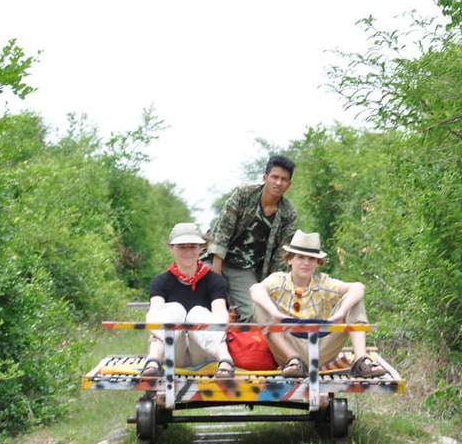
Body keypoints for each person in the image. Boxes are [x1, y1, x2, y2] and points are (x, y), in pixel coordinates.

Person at [249, 230, 386, 379]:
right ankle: (294, 360)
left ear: (317, 263)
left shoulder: (322, 282)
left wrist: (341, 313)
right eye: (300, 257)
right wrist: (275, 313)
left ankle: (361, 360)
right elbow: (255, 289)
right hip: (288, 345)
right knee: (260, 304)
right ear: (289, 260)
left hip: (321, 345)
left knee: (354, 300)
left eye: (311, 259)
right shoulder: (278, 280)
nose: (306, 263)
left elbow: (358, 287)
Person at [204, 154, 298, 322]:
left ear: (289, 185)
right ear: (265, 177)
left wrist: (271, 288)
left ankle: (245, 347)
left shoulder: (288, 214)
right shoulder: (244, 194)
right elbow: (223, 229)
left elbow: (281, 257)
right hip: (215, 259)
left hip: (244, 268)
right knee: (201, 299)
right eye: (274, 177)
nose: (278, 183)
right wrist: (216, 275)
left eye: (283, 179)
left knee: (254, 312)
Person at [141, 222, 235, 378]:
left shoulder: (215, 281)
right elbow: (154, 313)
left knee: (197, 313)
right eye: (181, 247)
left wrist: (219, 331)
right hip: (171, 350)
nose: (187, 252)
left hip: (203, 349)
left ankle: (225, 360)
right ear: (172, 248)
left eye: (192, 246)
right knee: (174, 309)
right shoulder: (160, 282)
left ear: (200, 248)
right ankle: (153, 360)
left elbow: (220, 313)